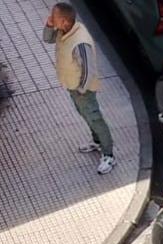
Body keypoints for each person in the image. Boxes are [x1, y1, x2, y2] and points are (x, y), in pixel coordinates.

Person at [42, 3, 114, 175]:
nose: (52, 18)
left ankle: (109, 154)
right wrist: (49, 25)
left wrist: (82, 90)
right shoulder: (63, 31)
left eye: (55, 18)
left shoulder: (80, 41)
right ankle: (97, 142)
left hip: (83, 90)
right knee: (85, 114)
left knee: (95, 118)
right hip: (72, 85)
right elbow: (48, 39)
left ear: (65, 21)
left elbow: (89, 69)